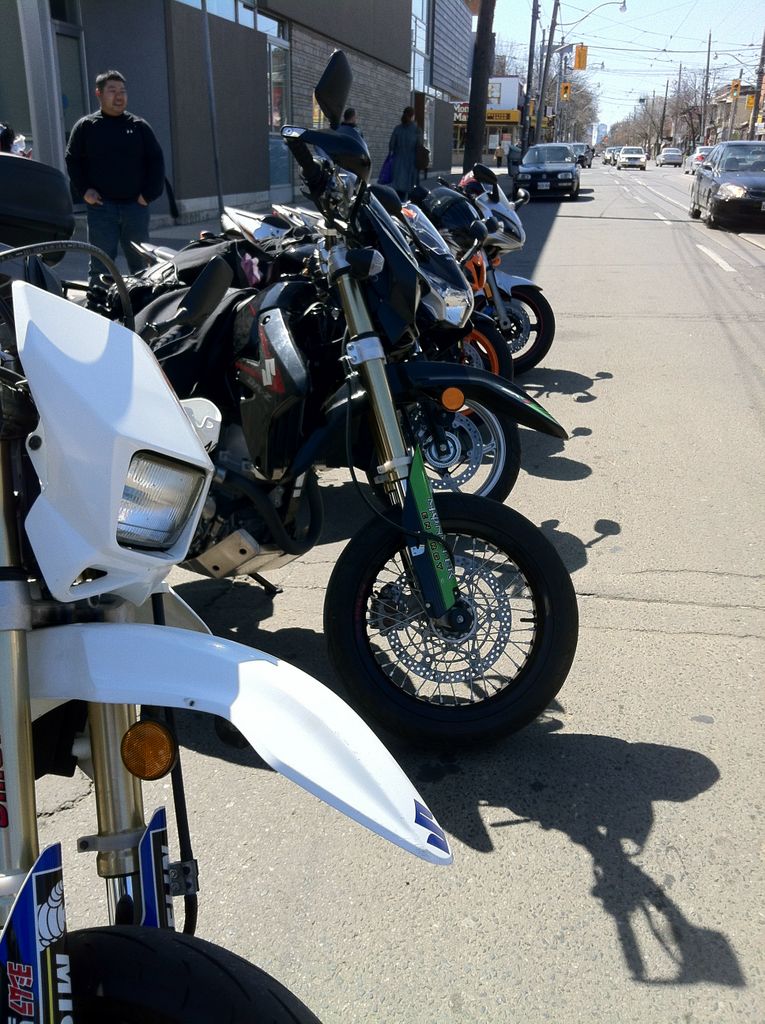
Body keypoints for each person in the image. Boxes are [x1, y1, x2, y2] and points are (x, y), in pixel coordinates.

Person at [65, 69, 165, 295]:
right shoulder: (87, 126)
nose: (119, 96)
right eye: (112, 91)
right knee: (100, 265)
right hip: (101, 208)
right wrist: (84, 190)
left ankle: (144, 303)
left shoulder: (138, 126)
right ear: (98, 93)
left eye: (122, 91)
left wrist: (148, 194)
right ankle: (98, 303)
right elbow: (72, 159)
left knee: (142, 265)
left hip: (135, 208)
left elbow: (156, 161)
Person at [388, 106, 421, 201]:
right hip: (411, 164)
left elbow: (391, 145)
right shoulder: (416, 130)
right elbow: (419, 146)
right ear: (413, 116)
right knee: (410, 192)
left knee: (397, 192)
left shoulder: (397, 129)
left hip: (397, 164)